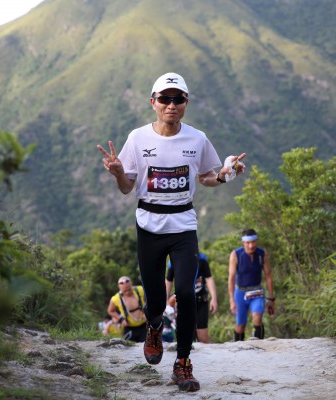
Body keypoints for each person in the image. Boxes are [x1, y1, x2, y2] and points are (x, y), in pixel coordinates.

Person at [97, 72, 246, 392]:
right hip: (149, 225)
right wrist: (118, 173)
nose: (171, 105)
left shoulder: (197, 138)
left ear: (186, 103)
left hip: (183, 225)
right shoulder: (137, 138)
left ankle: (183, 363)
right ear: (153, 102)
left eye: (178, 99)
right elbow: (127, 188)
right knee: (154, 300)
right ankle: (153, 326)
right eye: (165, 98)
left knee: (186, 293)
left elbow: (206, 177)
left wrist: (225, 175)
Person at [228, 229, 275, 341]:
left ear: (256, 241)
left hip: (257, 292)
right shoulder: (236, 255)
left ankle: (258, 345)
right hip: (240, 292)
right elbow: (231, 278)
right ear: (243, 242)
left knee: (257, 318)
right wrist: (232, 300)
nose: (251, 246)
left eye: (253, 242)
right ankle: (238, 347)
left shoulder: (262, 254)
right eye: (248, 243)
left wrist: (271, 298)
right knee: (240, 326)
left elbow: (268, 276)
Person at [166, 253, 218, 343]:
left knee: (202, 336)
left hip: (201, 300)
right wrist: (166, 300)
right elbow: (169, 281)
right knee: (187, 335)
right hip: (183, 301)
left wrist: (214, 298)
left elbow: (208, 278)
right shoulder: (173, 261)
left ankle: (211, 351)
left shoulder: (201, 259)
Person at [107, 276, 147, 342]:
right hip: (129, 327)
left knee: (147, 344)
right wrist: (120, 319)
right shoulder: (115, 298)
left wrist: (147, 312)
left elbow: (150, 300)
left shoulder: (140, 290)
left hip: (144, 325)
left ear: (132, 284)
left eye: (129, 289)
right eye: (125, 291)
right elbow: (110, 311)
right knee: (129, 346)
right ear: (119, 288)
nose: (127, 292)